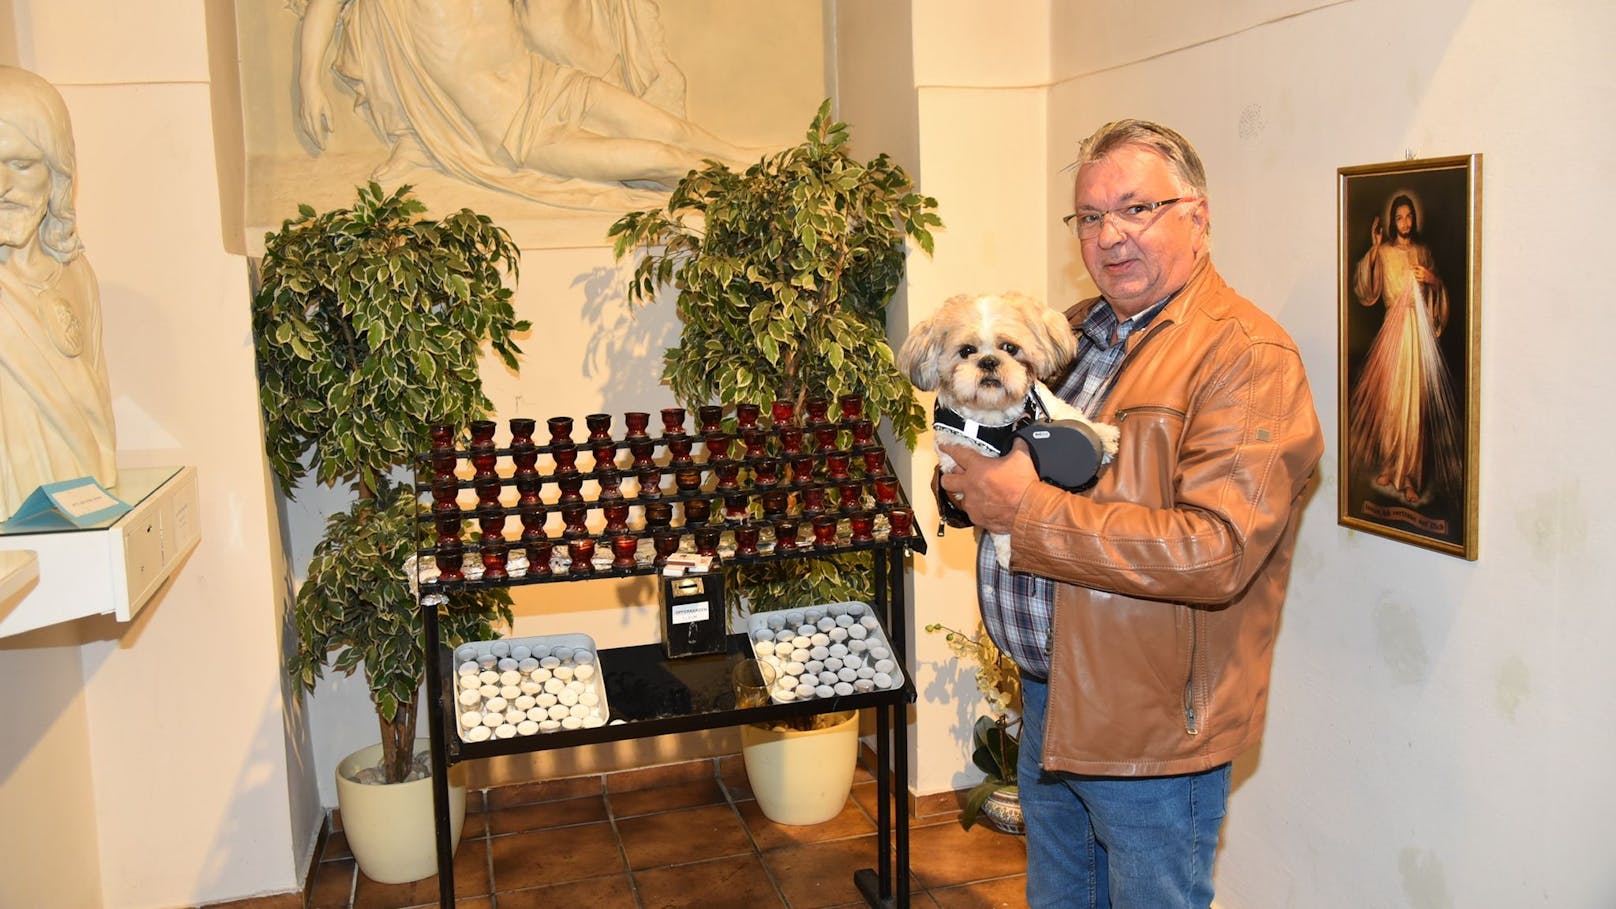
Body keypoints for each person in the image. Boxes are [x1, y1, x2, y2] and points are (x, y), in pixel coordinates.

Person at [936, 120, 1323, 908]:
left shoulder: (1246, 357)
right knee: (1062, 898)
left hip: (1152, 726)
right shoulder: (1074, 333)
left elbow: (1215, 552)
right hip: (1054, 691)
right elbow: (1015, 461)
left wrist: (1027, 510)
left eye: (1137, 208)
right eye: (1089, 216)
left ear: (1198, 214)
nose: (1110, 235)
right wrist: (963, 487)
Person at [294, 0, 761, 197]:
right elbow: (324, 6)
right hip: (516, 134)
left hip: (547, 81)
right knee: (663, 159)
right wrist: (308, 82)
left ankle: (764, 164)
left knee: (675, 130)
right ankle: (761, 190)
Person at [0, 66, 117, 524]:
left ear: (57, 173)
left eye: (20, 164)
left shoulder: (76, 274)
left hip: (80, 510)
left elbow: (99, 406)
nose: (1, 186)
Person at [1347, 192, 1462, 506]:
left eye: (1409, 216)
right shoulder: (1383, 253)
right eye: (1399, 217)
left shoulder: (1423, 253)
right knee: (1392, 403)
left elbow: (1439, 297)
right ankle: (1390, 464)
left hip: (1417, 334)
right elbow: (1366, 290)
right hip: (1393, 335)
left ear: (1415, 219)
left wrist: (1433, 280)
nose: (1405, 222)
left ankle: (1409, 476)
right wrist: (1373, 247)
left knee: (1415, 406)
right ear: (1391, 221)